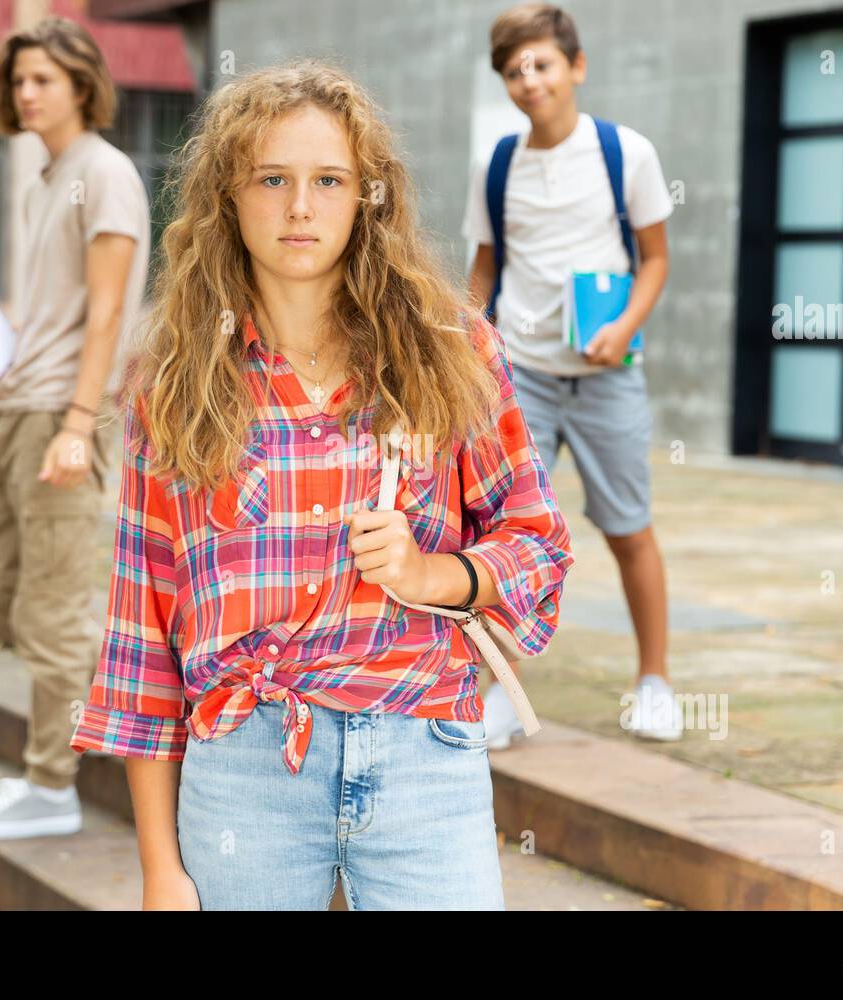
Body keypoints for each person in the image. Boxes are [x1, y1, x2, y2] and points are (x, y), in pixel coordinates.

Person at [68, 58, 574, 911]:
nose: (300, 207)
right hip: (244, 773)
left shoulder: (452, 351)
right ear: (229, 195)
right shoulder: (176, 383)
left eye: (329, 180)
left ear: (365, 196)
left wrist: (430, 576)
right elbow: (141, 639)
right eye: (273, 178)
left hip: (424, 750)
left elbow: (538, 542)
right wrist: (161, 869)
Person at [0, 16, 151, 839]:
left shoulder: (103, 172)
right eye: (17, 81)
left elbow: (107, 313)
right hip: (16, 403)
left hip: (62, 416)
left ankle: (51, 785)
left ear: (81, 84)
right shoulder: (45, 174)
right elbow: (59, 310)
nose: (24, 93)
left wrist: (78, 423)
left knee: (55, 604)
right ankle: (114, 698)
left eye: (41, 79)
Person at [463, 3, 681, 747]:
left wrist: (623, 328)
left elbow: (654, 258)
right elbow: (484, 272)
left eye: (543, 64)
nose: (530, 80)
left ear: (575, 67)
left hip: (607, 374)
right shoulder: (495, 165)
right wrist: (467, 349)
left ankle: (654, 681)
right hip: (521, 377)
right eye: (515, 69)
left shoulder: (627, 155)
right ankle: (502, 691)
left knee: (627, 529)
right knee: (510, 534)